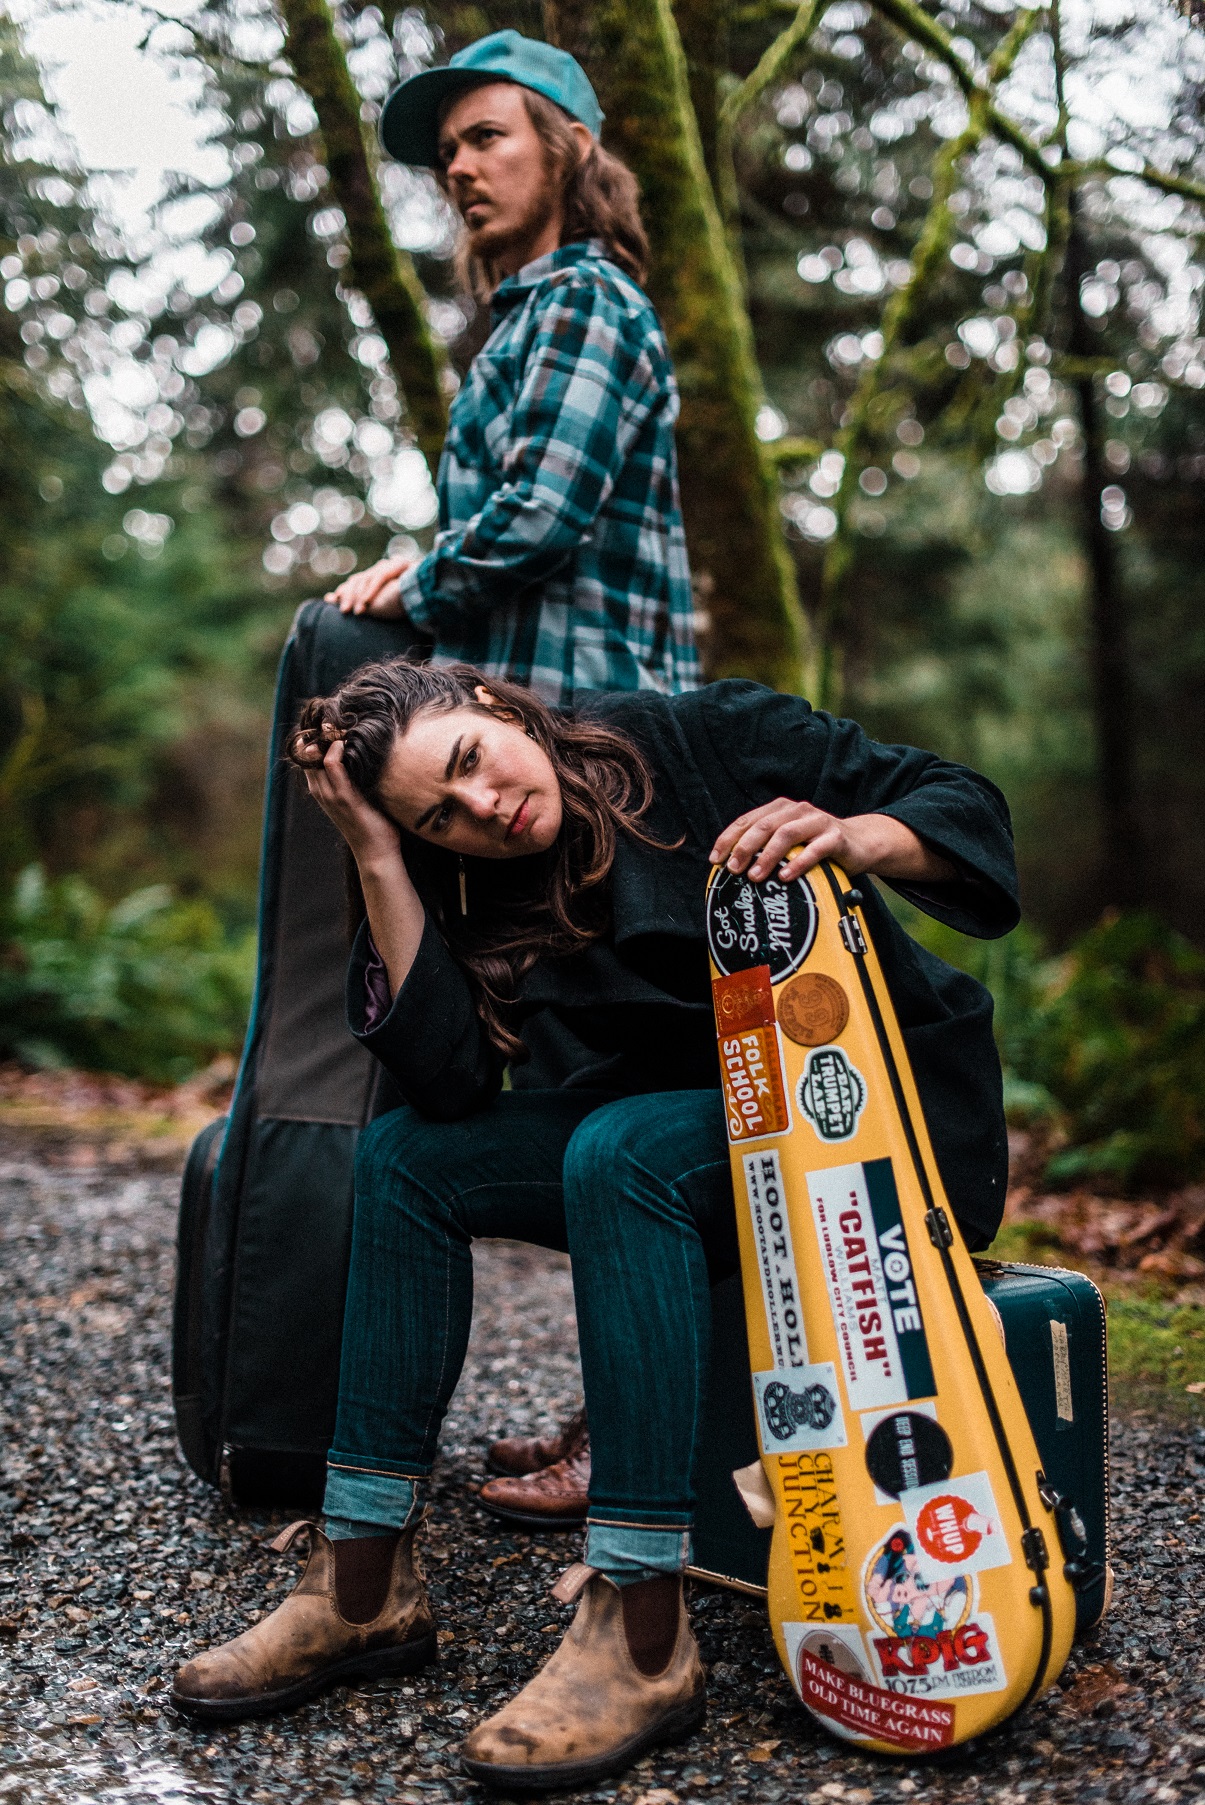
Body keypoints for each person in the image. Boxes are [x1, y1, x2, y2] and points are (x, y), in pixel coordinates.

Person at [172, 660, 1019, 1789]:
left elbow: (961, 801)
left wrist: (859, 836)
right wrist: (381, 855)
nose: (482, 807)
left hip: (871, 1115)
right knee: (408, 1158)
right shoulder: (461, 880)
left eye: (472, 761)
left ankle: (640, 1626)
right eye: (441, 815)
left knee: (615, 1152)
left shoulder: (699, 733)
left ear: (501, 707)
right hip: (700, 1139)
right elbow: (444, 1083)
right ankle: (363, 1581)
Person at [325, 30, 700, 704]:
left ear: (572, 148)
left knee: (330, 636)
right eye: (447, 153)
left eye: (486, 137)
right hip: (518, 726)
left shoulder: (586, 297)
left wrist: (413, 588)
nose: (458, 169)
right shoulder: (533, 317)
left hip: (593, 737)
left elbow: (539, 513)